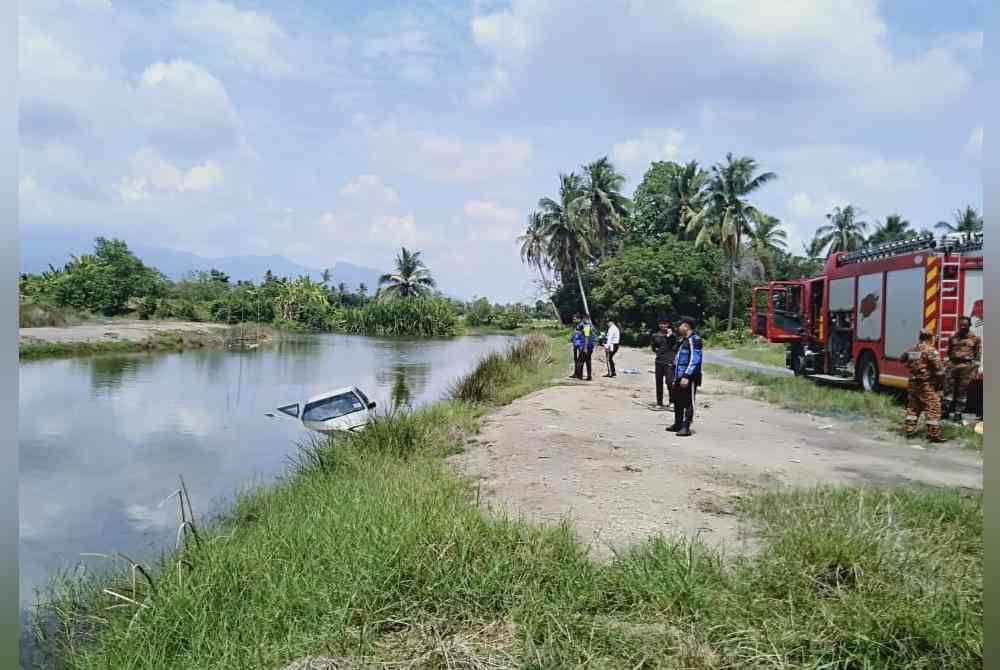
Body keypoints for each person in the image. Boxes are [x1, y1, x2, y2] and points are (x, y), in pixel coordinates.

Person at [903, 328, 945, 442]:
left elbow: (902, 359)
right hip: (926, 384)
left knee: (913, 407)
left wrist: (913, 367)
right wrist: (940, 385)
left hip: (913, 383)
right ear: (930, 338)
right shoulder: (931, 351)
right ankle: (933, 434)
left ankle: (909, 429)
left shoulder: (912, 350)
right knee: (933, 406)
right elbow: (939, 370)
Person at [667, 316, 702, 437]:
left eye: (680, 325)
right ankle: (677, 423)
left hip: (688, 377)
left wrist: (687, 375)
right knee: (677, 401)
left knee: (688, 402)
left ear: (686, 326)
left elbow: (695, 359)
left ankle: (686, 427)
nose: (678, 328)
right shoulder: (683, 340)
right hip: (678, 376)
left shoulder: (694, 339)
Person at [944, 316, 982, 422]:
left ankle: (958, 413)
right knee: (948, 390)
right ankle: (945, 411)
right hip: (952, 366)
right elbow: (949, 351)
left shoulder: (975, 338)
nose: (962, 327)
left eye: (965, 325)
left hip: (966, 367)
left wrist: (975, 369)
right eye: (960, 324)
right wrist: (947, 364)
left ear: (969, 325)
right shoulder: (953, 337)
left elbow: (977, 356)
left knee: (962, 391)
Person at [650, 318, 677, 410]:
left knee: (670, 382)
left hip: (669, 362)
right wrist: (658, 352)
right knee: (659, 383)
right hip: (659, 362)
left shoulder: (673, 335)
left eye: (665, 324)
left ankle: (672, 402)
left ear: (668, 325)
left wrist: (669, 336)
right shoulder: (655, 335)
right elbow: (653, 347)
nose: (663, 326)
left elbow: (675, 346)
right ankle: (659, 403)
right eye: (661, 324)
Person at [573, 315, 596, 380]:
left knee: (580, 361)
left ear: (586, 319)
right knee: (588, 361)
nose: (583, 321)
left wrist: (585, 347)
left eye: (584, 319)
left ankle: (579, 376)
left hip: (586, 346)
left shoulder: (586, 327)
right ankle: (589, 376)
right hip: (590, 346)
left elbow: (586, 337)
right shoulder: (591, 327)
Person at [568, 314, 582, 379]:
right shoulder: (576, 325)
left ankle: (579, 374)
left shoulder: (582, 325)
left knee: (579, 360)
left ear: (579, 319)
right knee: (576, 359)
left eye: (575, 319)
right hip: (575, 344)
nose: (573, 320)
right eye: (573, 319)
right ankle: (576, 373)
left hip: (580, 345)